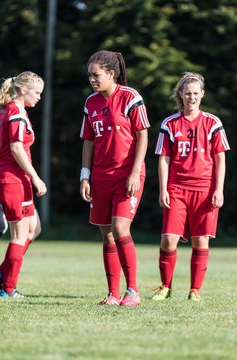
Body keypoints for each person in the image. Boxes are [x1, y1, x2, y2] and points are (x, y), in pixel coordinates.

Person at [80, 50, 150, 306]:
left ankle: (133, 292)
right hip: (100, 176)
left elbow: (142, 135)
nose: (92, 80)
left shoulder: (131, 97)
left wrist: (134, 171)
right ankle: (113, 293)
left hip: (126, 175)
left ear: (111, 73)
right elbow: (88, 141)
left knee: (121, 228)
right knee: (107, 234)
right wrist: (85, 175)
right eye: (89, 76)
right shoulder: (90, 103)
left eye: (96, 75)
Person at [153, 72, 230, 301]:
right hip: (177, 188)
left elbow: (220, 159)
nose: (192, 97)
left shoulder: (213, 122)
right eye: (188, 93)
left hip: (205, 189)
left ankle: (195, 290)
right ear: (181, 95)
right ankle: (165, 286)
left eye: (196, 93)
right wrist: (163, 188)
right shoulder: (170, 124)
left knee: (200, 239)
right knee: (168, 238)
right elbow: (164, 158)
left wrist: (219, 189)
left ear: (202, 95)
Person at [0, 71, 47, 298]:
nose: (39, 97)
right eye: (37, 92)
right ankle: (8, 288)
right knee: (19, 234)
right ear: (24, 90)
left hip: (12, 177)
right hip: (12, 178)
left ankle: (2, 274)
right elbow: (17, 148)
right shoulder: (16, 113)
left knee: (34, 228)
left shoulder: (6, 111)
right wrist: (35, 176)